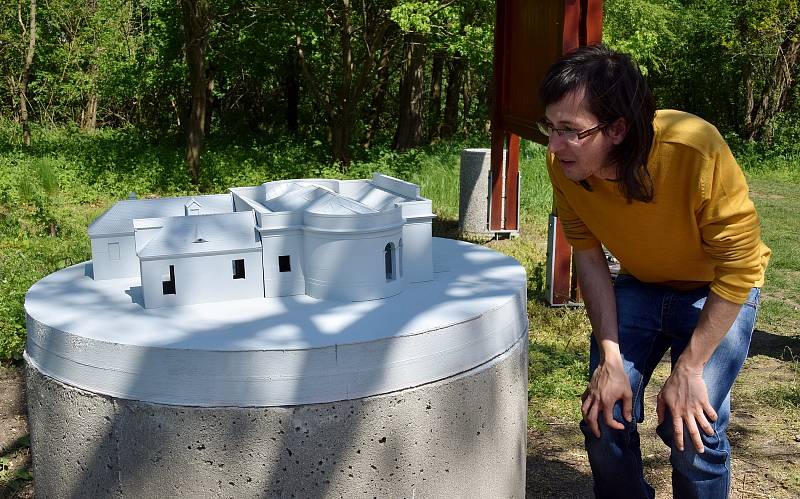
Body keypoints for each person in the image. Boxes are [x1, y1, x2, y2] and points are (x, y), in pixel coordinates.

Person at [537, 44, 771, 499]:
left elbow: (740, 267)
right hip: (640, 284)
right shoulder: (564, 164)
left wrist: (690, 368)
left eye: (569, 130)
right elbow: (587, 255)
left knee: (691, 433)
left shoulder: (694, 149)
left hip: (716, 290)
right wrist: (609, 356)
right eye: (550, 127)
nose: (553, 144)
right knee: (604, 416)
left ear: (618, 129)